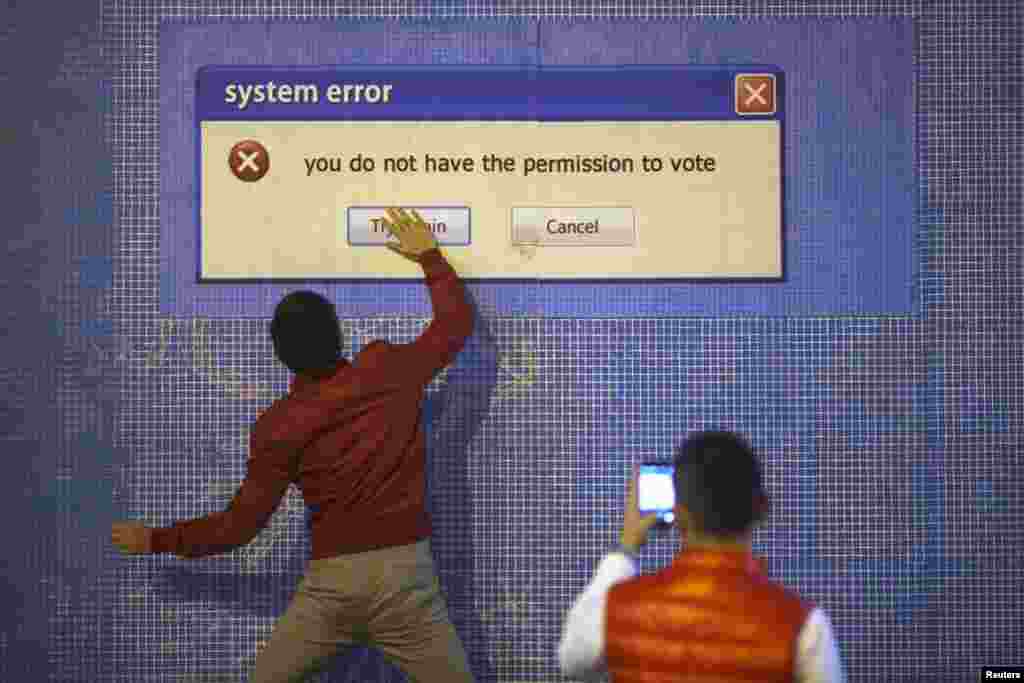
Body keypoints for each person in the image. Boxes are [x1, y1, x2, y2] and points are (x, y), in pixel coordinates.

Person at [112, 207, 477, 682]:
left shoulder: (278, 426)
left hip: (332, 588)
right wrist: (429, 256)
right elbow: (454, 326)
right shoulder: (387, 370)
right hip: (404, 578)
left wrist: (156, 539)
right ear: (338, 333)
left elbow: (240, 527)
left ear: (283, 357)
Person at [558, 431, 846, 682]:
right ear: (762, 509)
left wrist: (625, 548)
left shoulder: (617, 609)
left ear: (679, 514)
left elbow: (571, 659)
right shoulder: (804, 625)